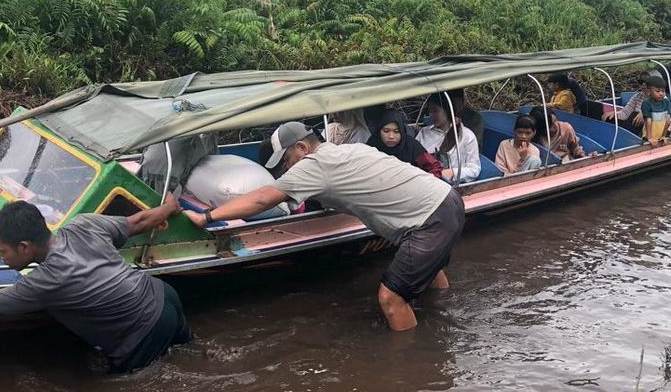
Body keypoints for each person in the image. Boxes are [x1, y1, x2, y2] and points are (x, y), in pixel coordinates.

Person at [186, 121, 465, 331]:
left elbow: (261, 198)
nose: (286, 169)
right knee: (428, 269)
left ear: (302, 148)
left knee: (391, 298)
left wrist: (207, 217)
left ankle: (414, 367)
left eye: (285, 161)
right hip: (446, 200)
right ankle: (443, 312)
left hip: (429, 220)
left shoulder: (313, 165)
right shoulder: (348, 150)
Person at [0, 197, 191, 373]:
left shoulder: (45, 281)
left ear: (25, 247)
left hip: (142, 330)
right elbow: (139, 221)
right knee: (189, 354)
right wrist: (169, 206)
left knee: (128, 391)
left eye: (2, 251)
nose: (0, 259)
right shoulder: (83, 224)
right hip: (163, 295)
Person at [416, 94, 481, 183]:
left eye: (435, 111)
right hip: (426, 182)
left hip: (453, 185)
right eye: (429, 112)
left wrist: (452, 172)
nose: (431, 115)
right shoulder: (424, 133)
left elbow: (474, 169)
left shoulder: (466, 136)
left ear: (447, 111)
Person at [366, 109, 444, 177]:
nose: (391, 136)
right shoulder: (372, 146)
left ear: (402, 132)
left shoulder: (411, 146)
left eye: (396, 131)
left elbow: (434, 166)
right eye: (386, 131)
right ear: (379, 131)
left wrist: (426, 184)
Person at [640, 76, 671, 146]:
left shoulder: (666, 101)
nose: (661, 93)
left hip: (661, 134)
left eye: (663, 91)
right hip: (648, 135)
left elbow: (668, 120)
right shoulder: (646, 103)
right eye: (657, 91)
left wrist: (664, 135)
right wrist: (649, 138)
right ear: (648, 91)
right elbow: (648, 121)